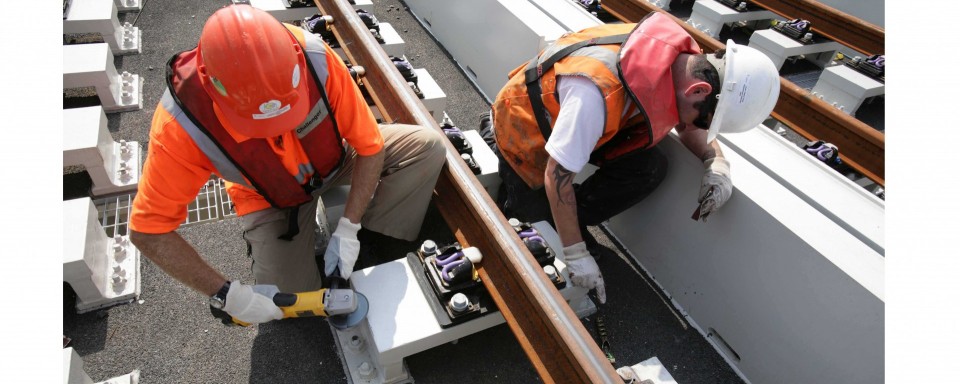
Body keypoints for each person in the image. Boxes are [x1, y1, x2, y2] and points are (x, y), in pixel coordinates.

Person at [129, 5, 446, 325]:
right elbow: (149, 231)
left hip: (336, 160)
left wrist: (350, 228)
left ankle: (376, 239)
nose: (278, 132)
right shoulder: (180, 123)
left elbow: (370, 146)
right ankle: (285, 246)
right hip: (268, 195)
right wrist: (225, 294)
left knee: (427, 148)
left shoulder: (315, 59)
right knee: (287, 297)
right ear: (215, 91)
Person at [482, 13, 780, 303]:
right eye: (706, 122)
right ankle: (534, 198)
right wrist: (574, 253)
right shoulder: (597, 93)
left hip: (578, 126)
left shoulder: (682, 64)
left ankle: (567, 220)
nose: (699, 129)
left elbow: (687, 124)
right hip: (525, 131)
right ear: (699, 89)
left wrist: (715, 162)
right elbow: (555, 175)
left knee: (650, 166)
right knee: (531, 237)